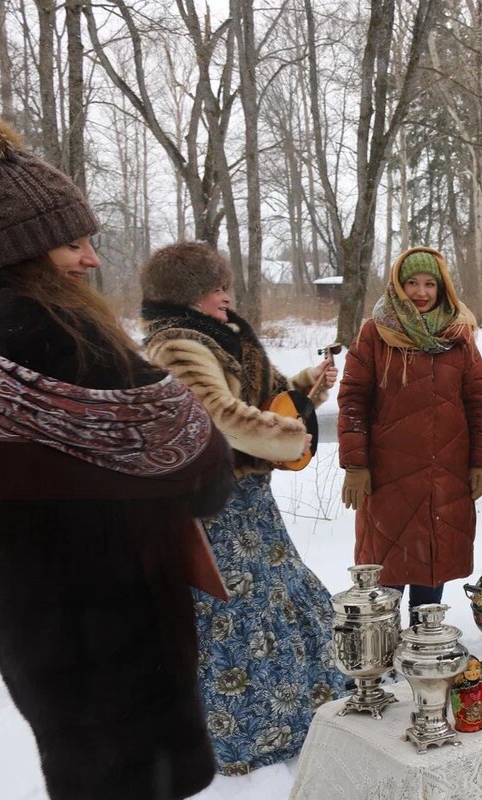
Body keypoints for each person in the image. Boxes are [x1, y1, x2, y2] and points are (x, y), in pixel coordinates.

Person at [0, 115, 234, 799]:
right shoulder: (63, 334)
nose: (90, 259)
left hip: (27, 620)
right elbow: (203, 469)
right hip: (118, 629)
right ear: (21, 250)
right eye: (72, 243)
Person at [141, 241, 342, 775]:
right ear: (188, 296)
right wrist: (291, 440)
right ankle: (244, 736)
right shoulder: (175, 347)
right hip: (213, 508)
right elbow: (220, 417)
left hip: (250, 502)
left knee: (283, 598)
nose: (227, 296)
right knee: (236, 618)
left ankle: (301, 710)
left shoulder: (224, 336)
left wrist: (307, 387)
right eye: (217, 288)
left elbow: (267, 396)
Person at [338, 246, 482, 624]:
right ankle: (384, 650)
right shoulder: (375, 333)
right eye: (412, 283)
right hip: (388, 475)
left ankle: (426, 642)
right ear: (398, 285)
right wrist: (355, 465)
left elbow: (478, 403)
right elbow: (353, 402)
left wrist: (481, 461)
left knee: (432, 561)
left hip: (446, 473)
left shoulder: (459, 336)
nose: (421, 292)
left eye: (430, 284)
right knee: (386, 569)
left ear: (442, 289)